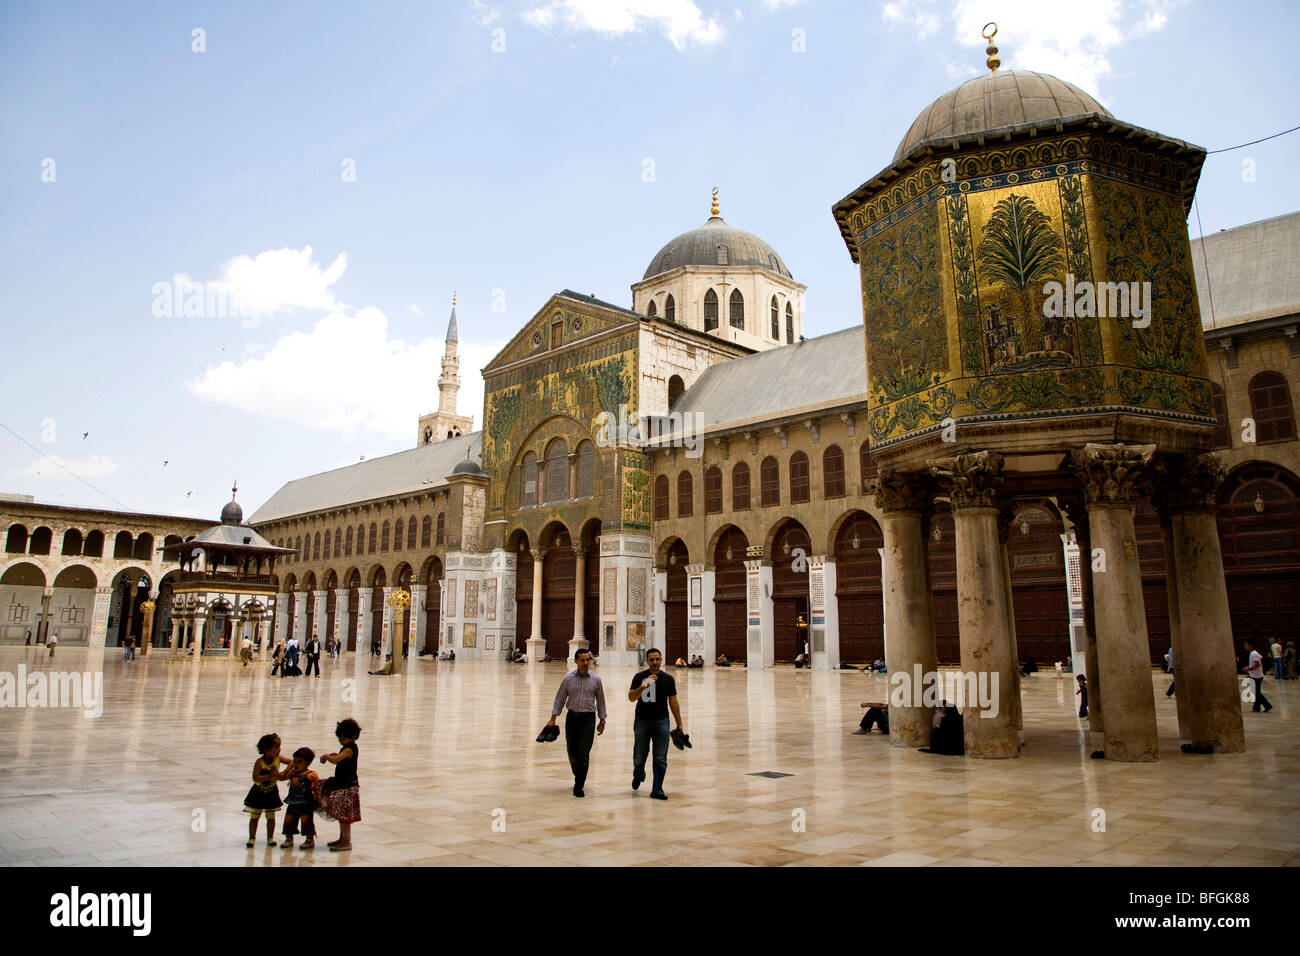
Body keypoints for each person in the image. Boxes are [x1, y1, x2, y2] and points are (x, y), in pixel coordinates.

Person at [545, 648, 606, 797]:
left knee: (583, 753)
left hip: (588, 719)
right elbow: (560, 698)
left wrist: (602, 719)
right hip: (572, 718)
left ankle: (579, 784)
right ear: (576, 661)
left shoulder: (596, 680)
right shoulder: (568, 679)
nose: (586, 663)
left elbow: (601, 700)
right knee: (572, 752)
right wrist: (553, 718)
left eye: (588, 660)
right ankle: (578, 773)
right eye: (583, 660)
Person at [627, 648, 684, 800]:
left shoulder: (668, 679)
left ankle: (657, 789)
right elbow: (631, 697)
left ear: (661, 660)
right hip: (642, 721)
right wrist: (643, 686)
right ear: (647, 661)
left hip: (661, 721)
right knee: (639, 755)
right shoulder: (640, 677)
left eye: (657, 659)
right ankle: (638, 773)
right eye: (651, 660)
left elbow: (673, 701)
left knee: (660, 757)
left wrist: (679, 723)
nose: (655, 662)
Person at [317, 718, 362, 851]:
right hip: (343, 783)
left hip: (347, 786)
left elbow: (337, 760)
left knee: (345, 816)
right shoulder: (346, 748)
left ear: (352, 736)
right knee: (343, 815)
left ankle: (346, 841)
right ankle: (342, 839)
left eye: (342, 738)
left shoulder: (350, 748)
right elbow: (340, 757)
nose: (340, 740)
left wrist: (327, 757)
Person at [244, 733, 291, 847]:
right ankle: (252, 838)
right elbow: (255, 777)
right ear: (266, 749)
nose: (279, 749)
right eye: (276, 747)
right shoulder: (259, 762)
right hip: (258, 792)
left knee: (271, 817)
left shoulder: (278, 759)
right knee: (255, 816)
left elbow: (292, 761)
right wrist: (270, 775)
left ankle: (270, 837)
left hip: (271, 791)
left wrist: (284, 772)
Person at [280, 747, 318, 851]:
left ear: (308, 762)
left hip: (305, 803)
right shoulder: (292, 773)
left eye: (299, 762)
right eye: (295, 761)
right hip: (292, 802)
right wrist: (284, 771)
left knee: (306, 821)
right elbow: (281, 777)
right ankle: (289, 838)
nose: (296, 764)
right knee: (289, 820)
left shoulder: (311, 774)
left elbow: (317, 786)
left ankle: (309, 839)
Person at [1242, 641, 1273, 713]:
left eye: (1246, 644)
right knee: (1256, 693)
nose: (1244, 645)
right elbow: (1260, 658)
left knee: (1257, 693)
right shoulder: (1254, 653)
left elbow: (1258, 664)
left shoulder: (1253, 654)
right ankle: (1257, 708)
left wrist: (1249, 669)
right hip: (1256, 675)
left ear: (1250, 645)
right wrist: (1249, 668)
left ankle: (1266, 705)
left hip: (1256, 676)